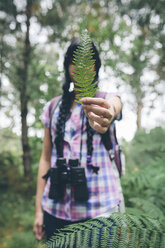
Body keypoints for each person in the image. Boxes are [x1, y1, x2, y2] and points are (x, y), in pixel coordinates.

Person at [33, 40, 124, 241]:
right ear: (67, 66)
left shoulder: (105, 98)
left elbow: (114, 105)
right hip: (54, 209)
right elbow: (45, 159)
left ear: (96, 66)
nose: (81, 66)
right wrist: (38, 211)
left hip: (100, 212)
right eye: (75, 60)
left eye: (88, 60)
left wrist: (108, 111)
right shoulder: (52, 107)